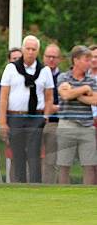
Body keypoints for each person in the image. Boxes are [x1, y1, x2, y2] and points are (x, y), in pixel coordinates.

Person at [0, 35, 54, 183]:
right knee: (17, 155)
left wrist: (46, 117)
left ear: (38, 51)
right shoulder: (11, 69)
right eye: (28, 49)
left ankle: (36, 186)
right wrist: (3, 122)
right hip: (15, 117)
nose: (30, 52)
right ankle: (19, 185)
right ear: (23, 49)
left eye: (33, 49)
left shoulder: (45, 71)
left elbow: (49, 98)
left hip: (36, 118)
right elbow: (3, 97)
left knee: (34, 154)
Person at [56, 46, 97, 184]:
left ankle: (86, 196)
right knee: (64, 164)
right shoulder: (63, 77)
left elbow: (95, 100)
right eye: (86, 59)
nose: (90, 62)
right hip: (67, 125)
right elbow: (65, 95)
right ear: (76, 60)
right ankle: (63, 196)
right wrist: (84, 89)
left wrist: (74, 91)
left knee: (89, 165)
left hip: (87, 126)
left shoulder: (92, 80)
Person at [42, 44, 62, 183]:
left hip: (54, 123)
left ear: (59, 59)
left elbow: (63, 105)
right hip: (35, 121)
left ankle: (48, 188)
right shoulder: (37, 74)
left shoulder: (63, 78)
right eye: (48, 56)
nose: (51, 59)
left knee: (51, 160)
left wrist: (49, 108)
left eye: (54, 57)